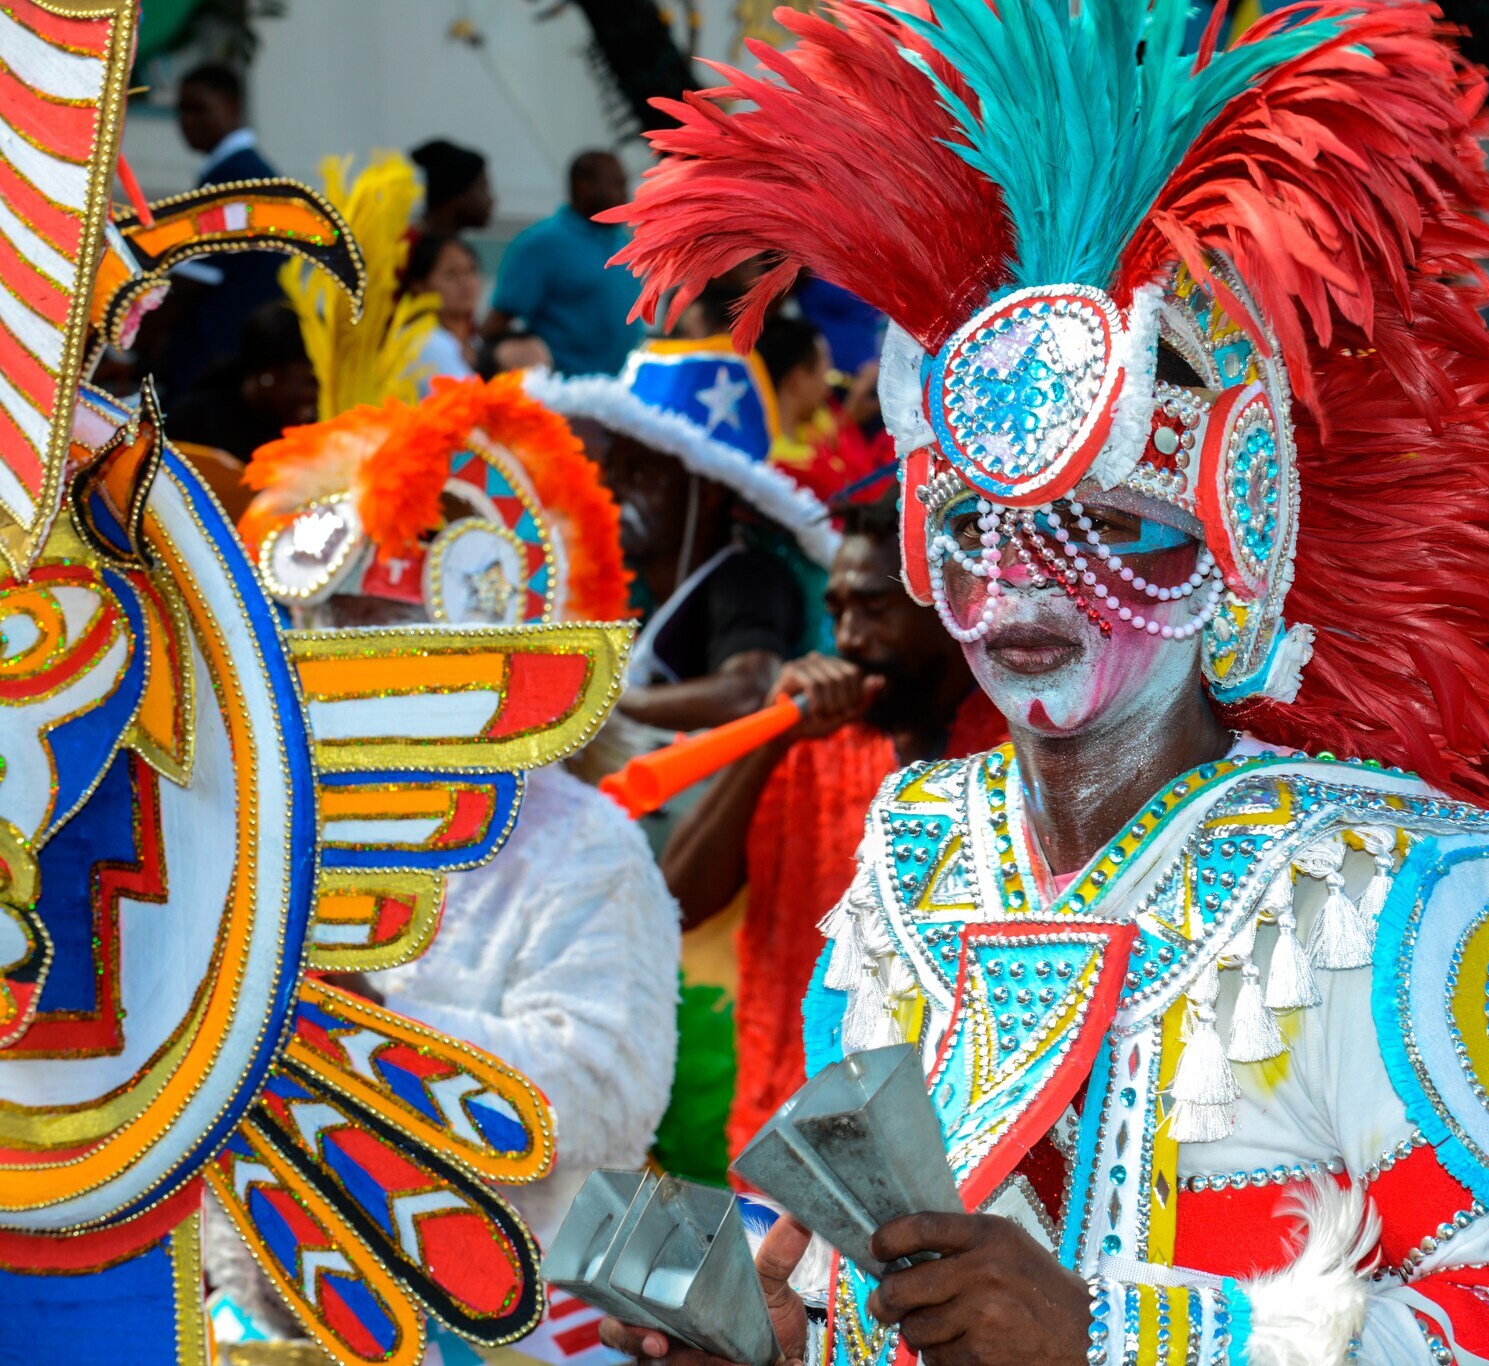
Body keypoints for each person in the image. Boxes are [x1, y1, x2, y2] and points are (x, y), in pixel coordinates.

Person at [590, 0, 1489, 1360]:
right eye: (973, 531)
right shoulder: (914, 862)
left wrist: (1121, 1336)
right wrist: (768, 1319)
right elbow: (847, 1269)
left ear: (1242, 533)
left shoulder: (1397, 895)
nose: (1026, 586)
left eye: (1110, 525)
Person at [225, 374, 680, 1359]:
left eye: (369, 629)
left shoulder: (581, 840)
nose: (336, 658)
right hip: (289, 1312)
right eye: (320, 627)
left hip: (521, 1318)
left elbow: (605, 1089)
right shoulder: (275, 834)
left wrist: (366, 1032)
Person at [661, 497, 1007, 1159]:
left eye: (873, 611)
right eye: (837, 612)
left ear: (950, 605)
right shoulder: (805, 740)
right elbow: (676, 899)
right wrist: (768, 737)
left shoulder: (1016, 748)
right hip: (786, 1141)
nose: (848, 638)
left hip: (963, 1146)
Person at [524, 330, 844, 729]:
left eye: (640, 474)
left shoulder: (747, 578)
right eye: (612, 470)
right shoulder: (634, 581)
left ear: (708, 492)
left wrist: (599, 703)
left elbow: (749, 691)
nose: (612, 489)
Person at [148, 63, 286, 401]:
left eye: (199, 109)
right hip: (244, 362)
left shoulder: (229, 180)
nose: (187, 121)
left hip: (214, 369)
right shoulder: (256, 173)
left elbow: (189, 282)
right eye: (181, 110)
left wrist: (135, 339)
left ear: (232, 106)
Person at [485, 150, 645, 378]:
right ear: (583, 185)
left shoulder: (620, 239)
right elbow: (496, 326)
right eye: (617, 184)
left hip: (621, 394)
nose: (626, 194)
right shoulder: (540, 243)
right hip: (564, 397)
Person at [163, 300, 318, 460]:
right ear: (271, 375)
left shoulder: (311, 437)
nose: (318, 395)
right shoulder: (193, 421)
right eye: (312, 383)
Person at [404, 233, 484, 381]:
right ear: (419, 286)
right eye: (451, 274)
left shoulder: (476, 342)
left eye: (471, 271)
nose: (465, 282)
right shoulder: (423, 341)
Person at [411, 137, 495, 239]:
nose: (491, 200)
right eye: (483, 189)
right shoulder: (448, 253)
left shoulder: (408, 242)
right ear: (455, 198)